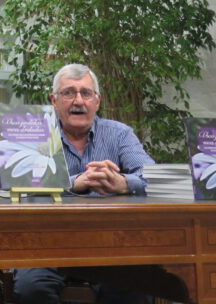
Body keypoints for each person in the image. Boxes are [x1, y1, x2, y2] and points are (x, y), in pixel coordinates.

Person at [12, 63, 154, 304]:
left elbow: (153, 177)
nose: (78, 101)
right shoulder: (32, 135)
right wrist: (72, 184)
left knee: (133, 288)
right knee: (31, 290)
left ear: (97, 101)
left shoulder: (120, 134)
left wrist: (123, 183)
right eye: (68, 93)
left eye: (86, 93)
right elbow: (19, 188)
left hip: (111, 242)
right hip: (45, 243)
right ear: (54, 101)